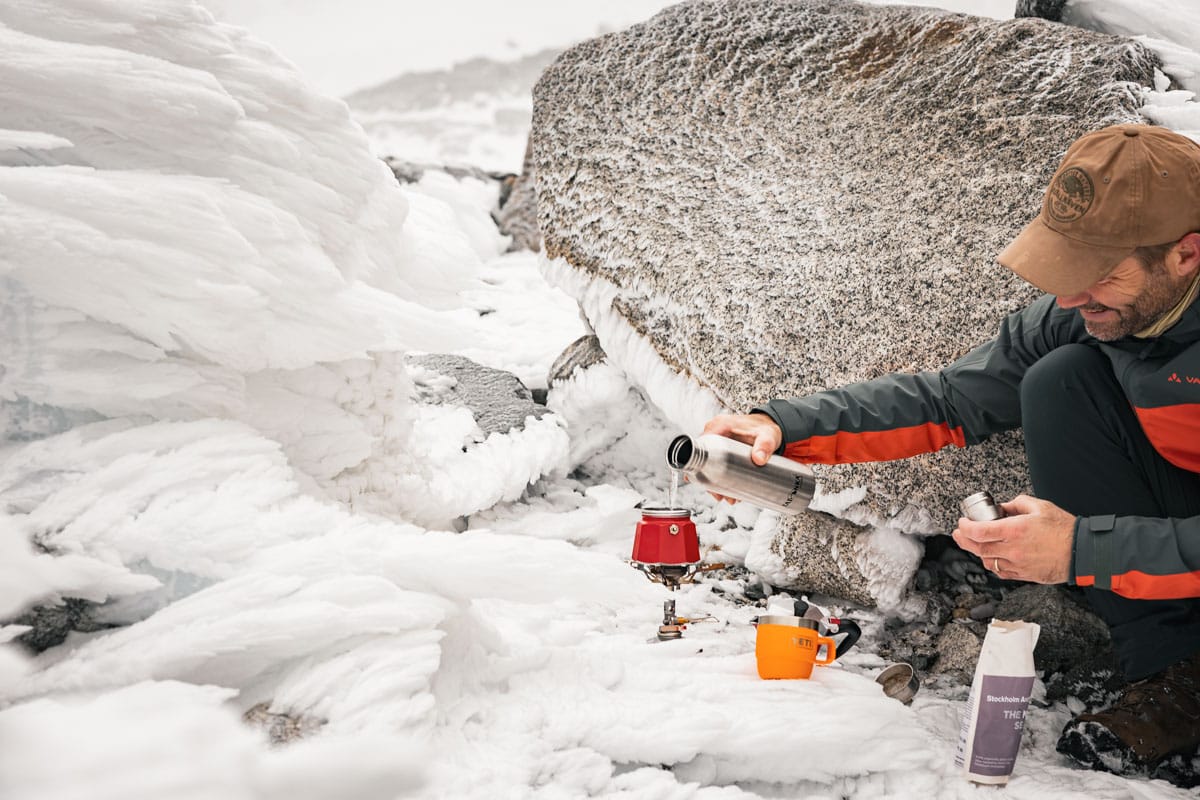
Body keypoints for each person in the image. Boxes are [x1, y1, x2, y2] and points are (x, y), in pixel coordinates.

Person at [703, 123, 1200, 777]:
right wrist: (781, 428)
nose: (1071, 297)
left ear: (1186, 254)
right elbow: (950, 399)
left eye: (1098, 275)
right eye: (1067, 270)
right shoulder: (1098, 312)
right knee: (1060, 377)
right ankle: (1177, 674)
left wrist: (1085, 548)